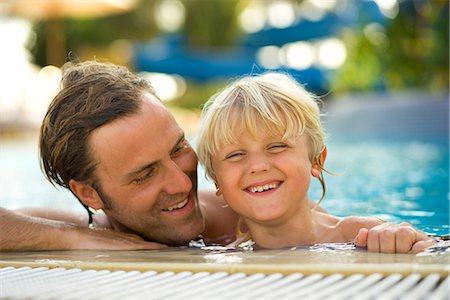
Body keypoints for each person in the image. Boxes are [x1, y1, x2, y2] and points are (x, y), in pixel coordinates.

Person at [0, 61, 433, 253]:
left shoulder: (245, 214)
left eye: (177, 149)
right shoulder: (90, 229)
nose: (180, 182)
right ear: (89, 194)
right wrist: (82, 241)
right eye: (145, 173)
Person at [196, 72, 435, 253]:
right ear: (216, 179)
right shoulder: (230, 253)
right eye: (235, 155)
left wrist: (399, 237)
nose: (258, 166)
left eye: (277, 146)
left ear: (316, 160)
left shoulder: (355, 234)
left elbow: (428, 249)